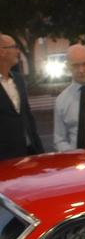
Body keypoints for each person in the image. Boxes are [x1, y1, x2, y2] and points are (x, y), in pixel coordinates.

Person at [0, 33, 43, 161]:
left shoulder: (19, 80)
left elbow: (27, 116)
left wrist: (39, 150)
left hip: (30, 153)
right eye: (14, 47)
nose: (18, 51)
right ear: (2, 52)